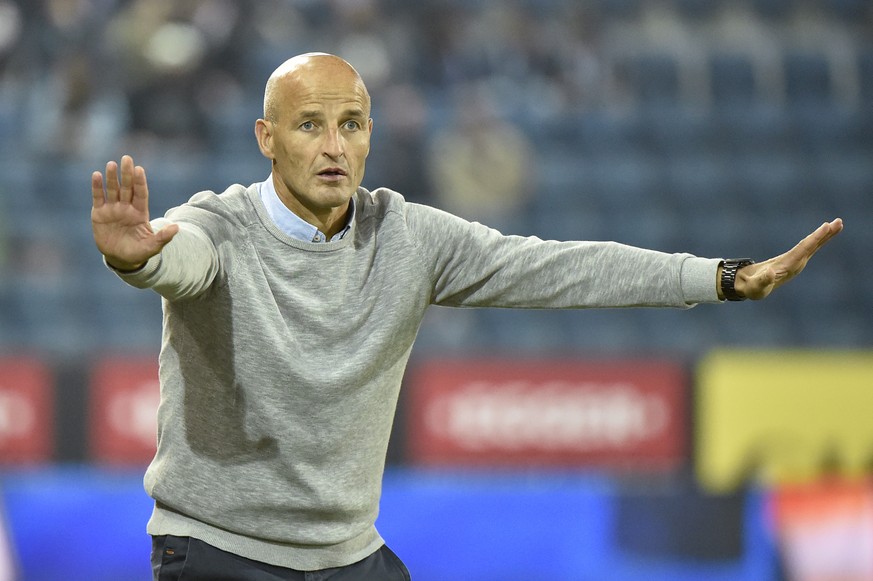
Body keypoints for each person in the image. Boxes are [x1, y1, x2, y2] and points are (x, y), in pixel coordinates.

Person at [90, 52, 843, 580]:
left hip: (347, 556)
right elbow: (176, 260)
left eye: (351, 124)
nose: (333, 146)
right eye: (309, 124)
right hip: (219, 553)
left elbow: (556, 266)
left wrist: (719, 277)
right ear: (265, 138)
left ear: (371, 136)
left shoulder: (408, 236)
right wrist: (135, 258)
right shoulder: (217, 225)